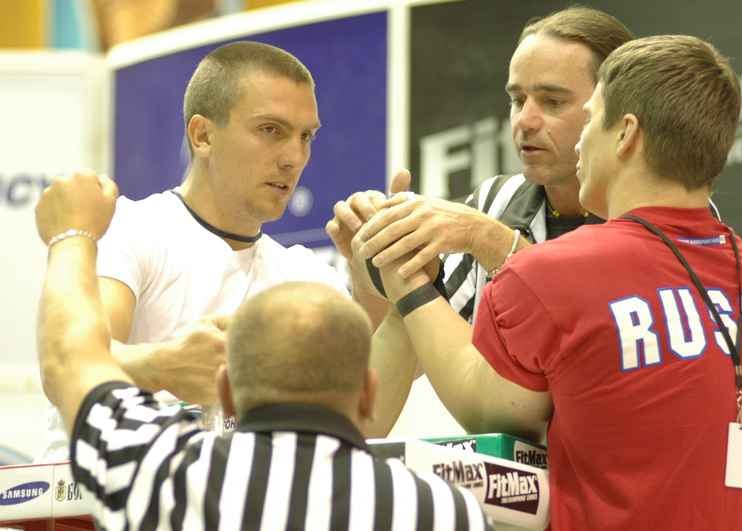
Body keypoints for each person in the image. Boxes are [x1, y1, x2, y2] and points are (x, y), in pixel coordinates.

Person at [364, 35, 742, 530]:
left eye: (590, 118)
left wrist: (408, 279)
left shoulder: (551, 272)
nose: (582, 139)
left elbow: (488, 410)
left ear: (625, 134)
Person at [34, 173, 493, 530]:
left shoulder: (164, 473)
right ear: (367, 394)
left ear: (226, 393)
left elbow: (69, 360)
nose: (293, 156)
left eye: (306, 135)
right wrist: (408, 290)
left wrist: (71, 234)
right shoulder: (447, 513)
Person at [327, 7, 635, 436]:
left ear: (614, 111)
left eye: (552, 101)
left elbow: (606, 344)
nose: (524, 120)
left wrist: (487, 238)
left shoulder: (660, 205)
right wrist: (382, 265)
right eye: (516, 99)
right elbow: (413, 354)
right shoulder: (496, 200)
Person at [41, 41, 349, 460]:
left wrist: (385, 288)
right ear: (202, 135)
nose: (294, 157)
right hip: (96, 512)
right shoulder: (129, 228)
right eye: (270, 130)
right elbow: (72, 363)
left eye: (306, 136)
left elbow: (364, 424)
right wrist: (161, 365)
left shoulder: (309, 276)